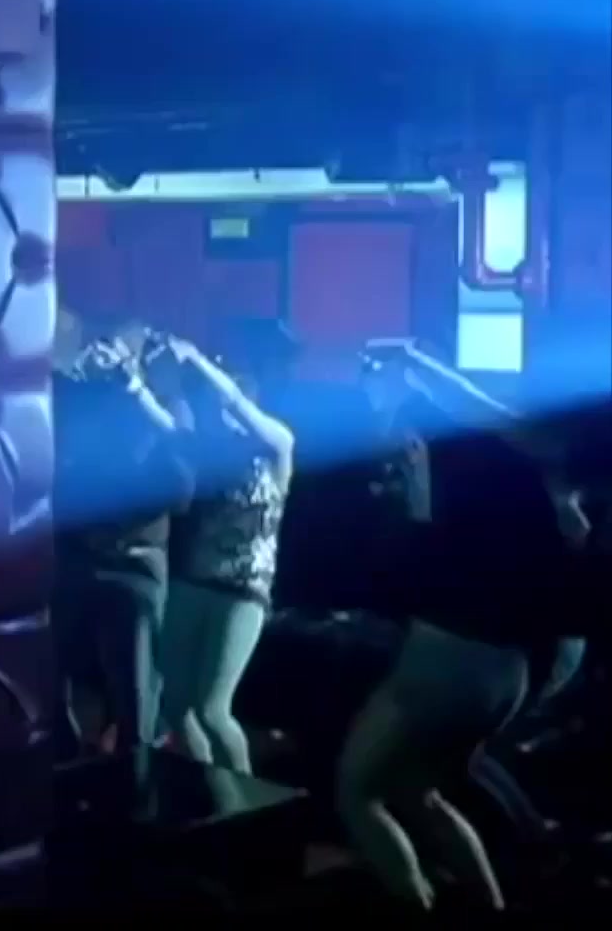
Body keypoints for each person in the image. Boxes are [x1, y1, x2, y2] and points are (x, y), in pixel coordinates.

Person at [336, 340, 592, 911]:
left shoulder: (511, 461)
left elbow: (423, 544)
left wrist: (415, 375)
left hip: (453, 657)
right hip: (508, 665)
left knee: (357, 794)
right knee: (418, 791)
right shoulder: (550, 475)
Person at [153, 337, 293, 775]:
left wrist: (197, 361)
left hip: (243, 590)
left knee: (213, 710)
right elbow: (169, 428)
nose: (223, 415)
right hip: (194, 581)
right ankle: (211, 789)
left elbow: (234, 402)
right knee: (175, 703)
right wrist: (133, 385)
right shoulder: (213, 451)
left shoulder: (277, 446)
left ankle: (247, 803)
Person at [51, 346, 192, 758]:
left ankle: (137, 775)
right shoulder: (84, 404)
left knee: (134, 694)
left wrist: (136, 395)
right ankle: (70, 764)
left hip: (133, 566)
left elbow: (182, 486)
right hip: (77, 562)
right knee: (53, 683)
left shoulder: (165, 411)